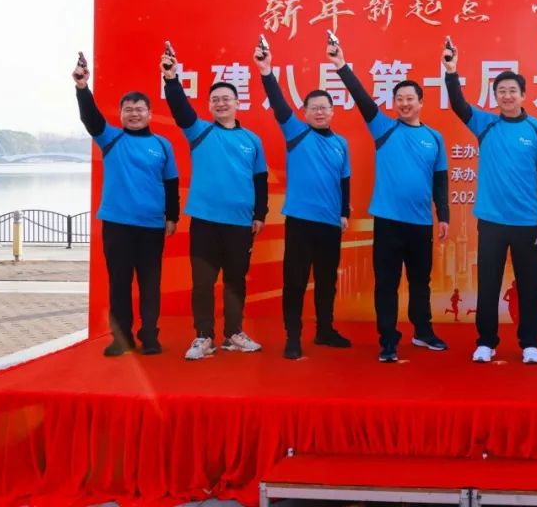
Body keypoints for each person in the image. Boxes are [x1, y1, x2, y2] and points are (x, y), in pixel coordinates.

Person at [329, 43, 450, 363]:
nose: (405, 103)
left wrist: (444, 215)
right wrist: (341, 65)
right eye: (400, 99)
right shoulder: (383, 128)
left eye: (410, 98)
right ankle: (388, 340)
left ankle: (423, 331)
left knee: (420, 282)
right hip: (388, 221)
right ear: (394, 103)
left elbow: (440, 179)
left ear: (421, 102)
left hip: (421, 223)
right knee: (387, 283)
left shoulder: (435, 137)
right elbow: (361, 97)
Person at [443, 41, 537, 364]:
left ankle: (530, 343)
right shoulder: (486, 124)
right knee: (488, 283)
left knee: (529, 285)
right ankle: (486, 342)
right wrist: (451, 71)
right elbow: (459, 104)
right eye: (501, 91)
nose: (507, 96)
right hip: (491, 219)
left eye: (512, 91)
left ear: (523, 95)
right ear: (495, 97)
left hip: (526, 221)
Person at [161, 47, 268, 360]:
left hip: (240, 223)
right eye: (215, 100)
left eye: (226, 99)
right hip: (205, 222)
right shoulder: (200, 132)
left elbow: (260, 179)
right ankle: (204, 337)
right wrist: (171, 79)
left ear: (237, 103)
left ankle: (233, 334)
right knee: (203, 283)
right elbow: (181, 109)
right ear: (209, 105)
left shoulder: (252, 140)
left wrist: (260, 214)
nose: (221, 103)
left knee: (235, 282)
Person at [73, 56, 179, 357]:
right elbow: (91, 118)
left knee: (150, 284)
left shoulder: (162, 144)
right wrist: (82, 87)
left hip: (151, 226)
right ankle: (122, 338)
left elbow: (171, 182)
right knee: (119, 283)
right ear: (120, 114)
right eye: (128, 110)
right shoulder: (111, 138)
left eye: (139, 109)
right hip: (117, 224)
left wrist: (172, 216)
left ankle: (150, 335)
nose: (134, 114)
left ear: (149, 113)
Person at [254, 44, 353, 360]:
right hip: (300, 222)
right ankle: (293, 337)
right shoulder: (296, 133)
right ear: (306, 112)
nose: (320, 112)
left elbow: (345, 180)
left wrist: (344, 212)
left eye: (325, 107)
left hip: (330, 224)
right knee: (295, 281)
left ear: (333, 111)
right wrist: (266, 72)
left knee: (326, 282)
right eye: (314, 108)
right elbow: (279, 103)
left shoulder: (341, 144)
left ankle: (325, 331)